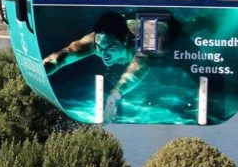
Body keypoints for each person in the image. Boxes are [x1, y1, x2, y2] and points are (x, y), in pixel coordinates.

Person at [43, 12, 173, 121]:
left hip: (168, 25)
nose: (104, 54)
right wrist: (40, 70)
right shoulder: (99, 41)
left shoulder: (146, 42)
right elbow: (64, 56)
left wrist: (114, 95)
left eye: (110, 48)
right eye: (100, 48)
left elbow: (138, 68)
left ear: (126, 40)